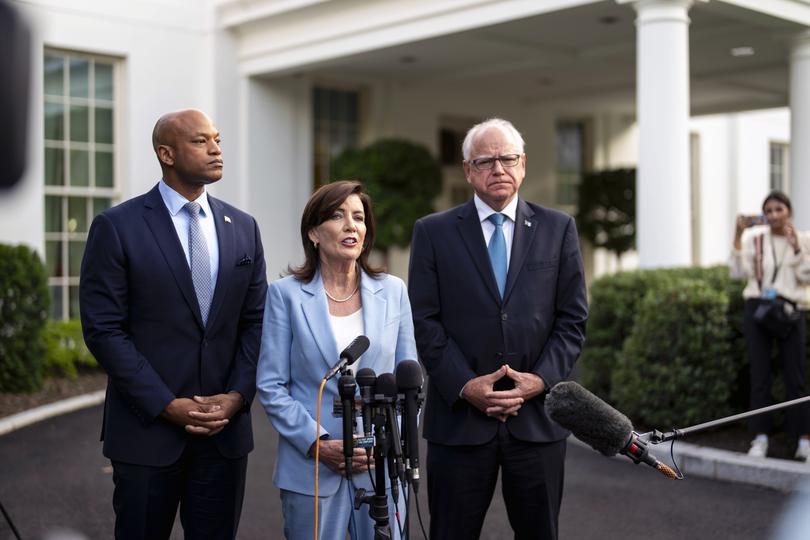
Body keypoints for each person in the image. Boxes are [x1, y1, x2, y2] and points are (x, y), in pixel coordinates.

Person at [80, 109, 267, 539]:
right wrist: (166, 404)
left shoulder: (243, 228)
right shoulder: (116, 227)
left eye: (217, 139)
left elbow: (256, 323)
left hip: (224, 437)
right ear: (166, 153)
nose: (216, 149)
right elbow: (103, 330)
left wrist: (237, 396)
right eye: (201, 141)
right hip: (147, 433)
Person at [408, 118, 588, 540]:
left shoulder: (558, 228)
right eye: (485, 160)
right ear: (468, 170)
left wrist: (539, 381)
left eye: (507, 158)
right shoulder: (433, 232)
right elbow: (424, 320)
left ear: (523, 164)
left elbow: (572, 319)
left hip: (537, 422)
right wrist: (466, 385)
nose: (498, 168)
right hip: (459, 423)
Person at [256, 180, 417, 540]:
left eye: (358, 217)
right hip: (313, 466)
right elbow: (271, 385)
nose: (351, 225)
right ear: (313, 232)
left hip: (382, 468)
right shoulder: (285, 296)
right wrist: (318, 443)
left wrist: (391, 442)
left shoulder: (394, 292)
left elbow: (409, 383)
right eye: (337, 216)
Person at [730, 190, 810, 461]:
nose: (774, 215)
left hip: (791, 311)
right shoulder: (756, 240)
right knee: (760, 376)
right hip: (759, 310)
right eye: (770, 210)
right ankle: (760, 438)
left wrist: (796, 247)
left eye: (779, 209)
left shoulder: (803, 239)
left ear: (789, 211)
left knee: (795, 378)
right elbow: (738, 273)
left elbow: (805, 275)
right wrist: (738, 235)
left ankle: (802, 440)